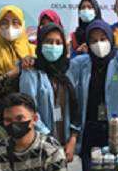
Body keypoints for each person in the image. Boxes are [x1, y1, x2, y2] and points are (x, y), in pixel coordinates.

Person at [69, 20, 118, 171]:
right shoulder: (80, 64)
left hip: (115, 129)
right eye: (93, 40)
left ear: (111, 38)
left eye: (103, 38)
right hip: (89, 130)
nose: (99, 44)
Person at [20, 23, 80, 162]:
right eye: (48, 42)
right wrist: (49, 142)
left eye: (58, 42)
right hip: (40, 146)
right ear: (40, 44)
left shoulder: (68, 71)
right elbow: (28, 110)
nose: (53, 46)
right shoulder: (30, 72)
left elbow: (76, 108)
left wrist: (73, 139)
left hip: (66, 143)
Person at [0, 5, 35, 123]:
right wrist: (12, 73)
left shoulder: (34, 51)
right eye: (4, 23)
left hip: (30, 115)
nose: (10, 27)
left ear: (22, 25)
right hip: (1, 117)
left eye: (15, 22)